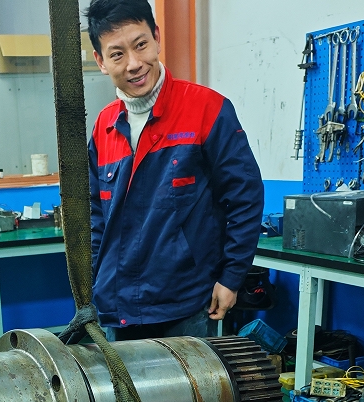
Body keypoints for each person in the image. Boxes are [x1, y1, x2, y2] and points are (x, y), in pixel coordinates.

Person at [85, 0, 264, 341]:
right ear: (101, 61)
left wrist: (231, 278)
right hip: (118, 304)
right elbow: (96, 215)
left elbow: (246, 198)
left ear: (156, 37)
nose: (134, 64)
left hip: (186, 302)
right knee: (123, 380)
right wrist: (96, 279)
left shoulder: (206, 109)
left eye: (140, 45)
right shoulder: (103, 127)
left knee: (193, 379)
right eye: (117, 54)